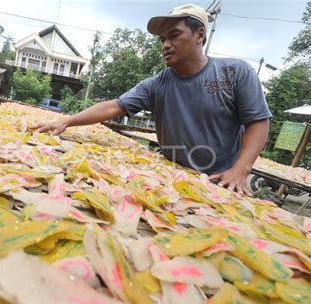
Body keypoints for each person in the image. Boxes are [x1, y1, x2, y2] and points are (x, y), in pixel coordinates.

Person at [29, 3, 272, 196]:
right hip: (173, 175)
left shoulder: (234, 72)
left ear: (199, 35)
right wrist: (67, 122)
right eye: (163, 39)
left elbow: (258, 121)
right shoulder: (157, 84)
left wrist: (240, 170)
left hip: (222, 180)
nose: (166, 45)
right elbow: (114, 106)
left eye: (174, 35)